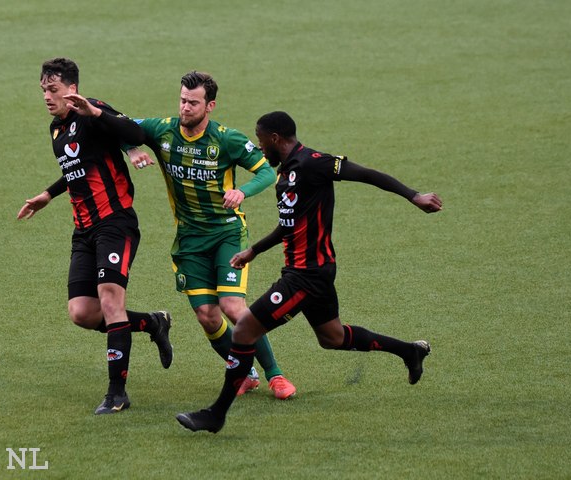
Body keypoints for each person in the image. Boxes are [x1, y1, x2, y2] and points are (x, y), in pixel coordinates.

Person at [176, 111, 443, 433]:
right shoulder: (286, 174)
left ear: (275, 138)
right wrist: (254, 250)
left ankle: (215, 415)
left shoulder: (314, 163)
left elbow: (367, 174)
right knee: (333, 338)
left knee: (245, 328)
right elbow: (289, 224)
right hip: (312, 272)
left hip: (306, 275)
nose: (260, 149)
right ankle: (409, 351)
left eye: (261, 141)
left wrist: (414, 196)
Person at [124, 72, 296, 400]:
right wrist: (132, 148)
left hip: (226, 233)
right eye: (182, 100)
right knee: (207, 316)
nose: (185, 107)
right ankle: (245, 373)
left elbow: (266, 171)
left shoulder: (226, 140)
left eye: (193, 102)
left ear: (210, 105)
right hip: (189, 240)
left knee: (233, 306)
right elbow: (117, 124)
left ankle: (276, 375)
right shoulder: (162, 131)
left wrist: (242, 192)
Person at [17, 57, 173, 415]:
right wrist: (48, 194)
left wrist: (97, 113)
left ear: (72, 88)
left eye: (53, 89)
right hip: (83, 229)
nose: (46, 96)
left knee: (109, 301)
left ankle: (117, 394)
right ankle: (153, 322)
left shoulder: (92, 110)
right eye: (43, 89)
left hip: (115, 223)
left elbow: (135, 135)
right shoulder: (56, 129)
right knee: (82, 313)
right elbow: (79, 167)